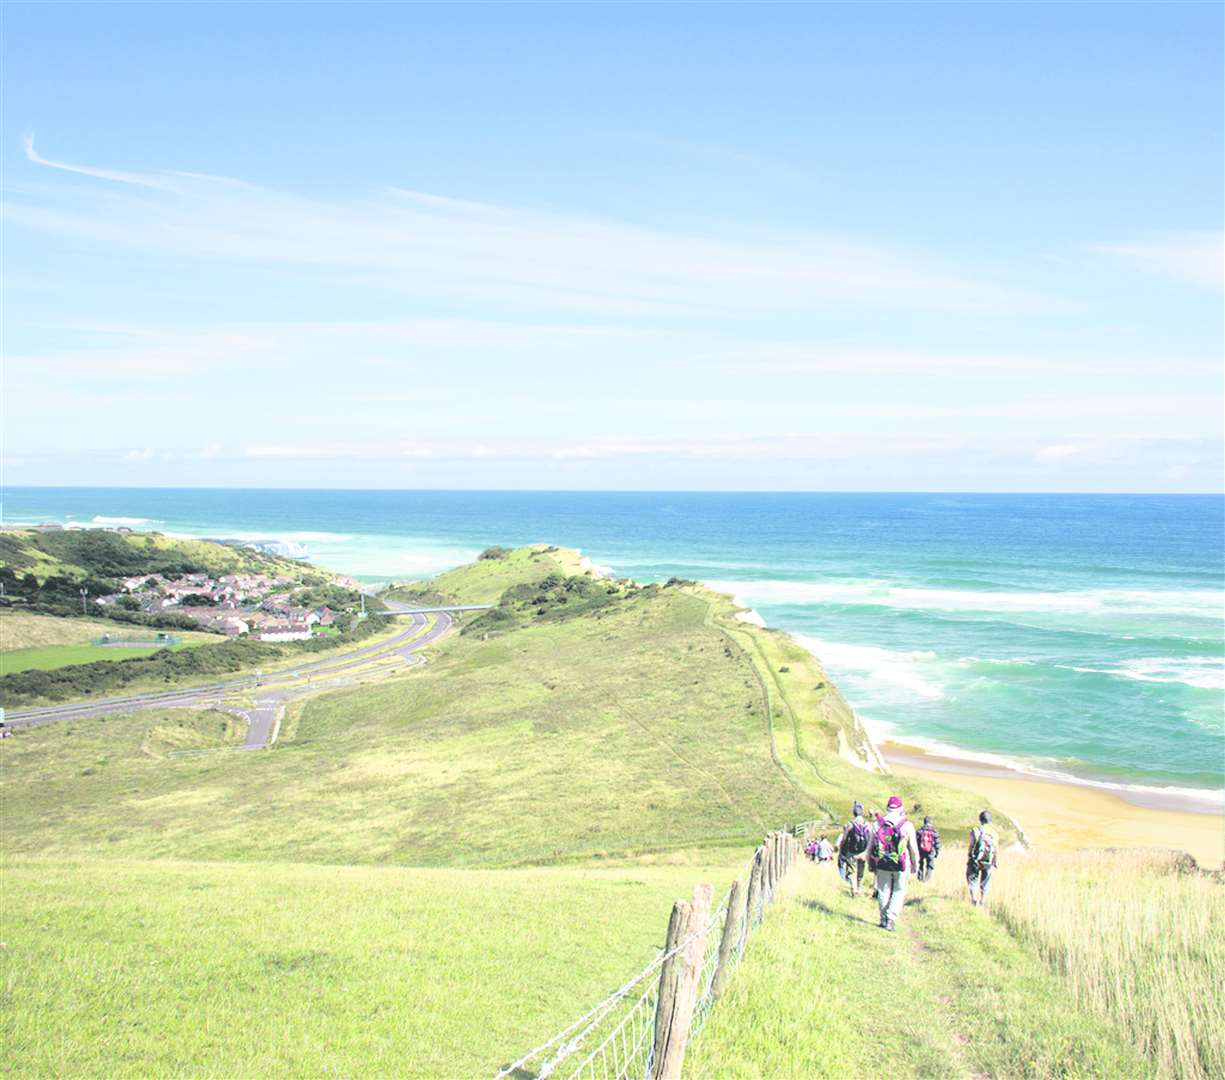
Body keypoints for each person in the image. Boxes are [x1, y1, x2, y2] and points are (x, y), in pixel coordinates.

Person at [871, 795, 919, 931]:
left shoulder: (877, 824)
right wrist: (916, 865)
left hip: (881, 862)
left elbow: (871, 845)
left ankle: (883, 918)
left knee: (883, 890)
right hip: (901, 863)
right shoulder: (907, 825)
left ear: (887, 808)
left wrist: (871, 861)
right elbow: (914, 849)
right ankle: (891, 918)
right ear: (901, 808)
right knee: (899, 890)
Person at [835, 801, 873, 897]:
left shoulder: (850, 824)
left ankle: (854, 888)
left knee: (851, 871)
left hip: (852, 851)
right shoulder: (867, 824)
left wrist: (841, 847)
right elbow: (872, 838)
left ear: (854, 813)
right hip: (863, 851)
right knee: (861, 870)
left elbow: (844, 838)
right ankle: (859, 887)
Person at [967, 810, 999, 907]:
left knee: (972, 878)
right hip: (988, 861)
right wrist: (995, 861)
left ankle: (974, 900)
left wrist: (970, 856)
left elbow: (972, 845)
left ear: (980, 819)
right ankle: (982, 901)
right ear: (990, 820)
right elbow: (996, 849)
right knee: (986, 881)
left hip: (976, 860)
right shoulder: (994, 833)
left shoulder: (976, 830)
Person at [916, 816, 942, 881]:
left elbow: (916, 842)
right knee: (930, 866)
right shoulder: (934, 832)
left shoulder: (919, 831)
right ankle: (927, 880)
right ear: (931, 822)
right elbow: (938, 844)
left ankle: (920, 879)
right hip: (931, 851)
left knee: (920, 865)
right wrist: (937, 853)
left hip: (921, 851)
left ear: (924, 822)